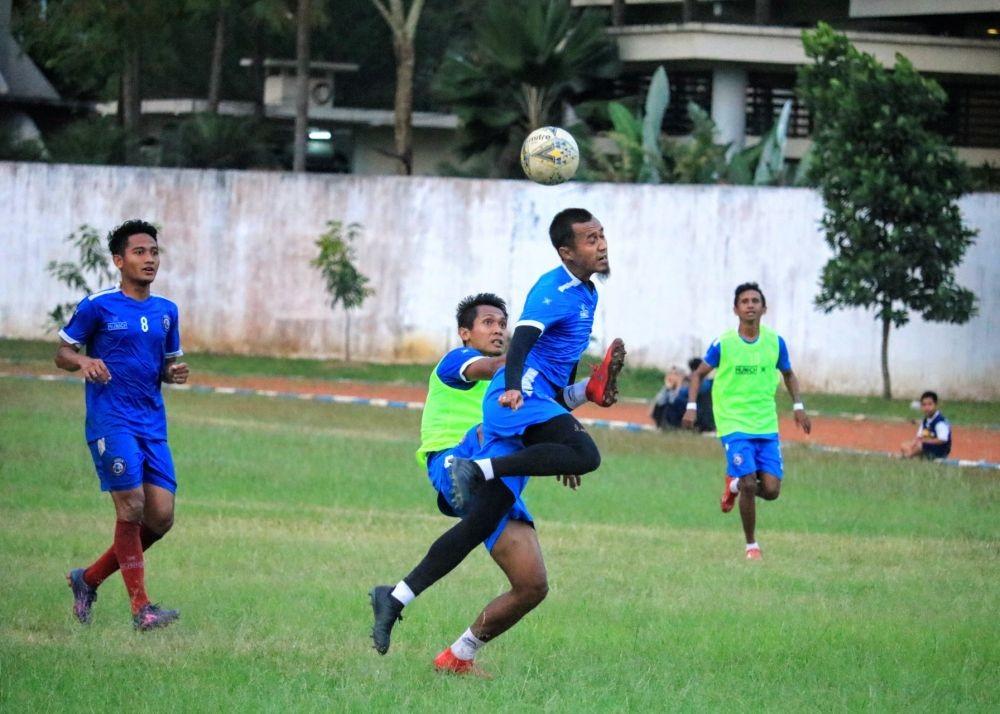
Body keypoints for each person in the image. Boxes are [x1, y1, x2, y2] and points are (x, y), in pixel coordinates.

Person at [370, 208, 626, 670]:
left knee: (530, 583)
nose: (498, 330)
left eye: (500, 323)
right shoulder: (460, 360)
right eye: (487, 324)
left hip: (512, 436)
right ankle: (473, 476)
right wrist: (513, 380)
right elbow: (506, 359)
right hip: (461, 453)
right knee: (580, 455)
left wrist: (574, 413)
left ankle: (427, 627)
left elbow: (551, 394)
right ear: (465, 333)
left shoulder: (584, 300)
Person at [57, 219, 188, 630]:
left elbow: (161, 365)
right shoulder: (98, 305)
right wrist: (84, 360)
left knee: (161, 517)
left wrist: (173, 373)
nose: (149, 259)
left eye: (154, 252)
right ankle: (141, 609)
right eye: (139, 252)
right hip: (111, 420)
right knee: (131, 505)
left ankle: (88, 579)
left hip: (151, 422)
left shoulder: (167, 311)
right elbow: (62, 352)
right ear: (118, 260)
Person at [683, 282, 811, 560]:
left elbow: (788, 374)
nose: (750, 305)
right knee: (750, 485)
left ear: (764, 308)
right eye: (745, 301)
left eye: (755, 300)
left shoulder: (775, 342)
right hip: (733, 424)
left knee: (772, 490)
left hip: (766, 425)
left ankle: (733, 487)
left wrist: (798, 406)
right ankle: (751, 546)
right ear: (736, 309)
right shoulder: (724, 343)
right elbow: (697, 374)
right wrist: (691, 406)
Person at [900, 391, 952, 459]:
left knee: (921, 445)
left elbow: (943, 440)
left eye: (930, 404)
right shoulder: (925, 420)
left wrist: (926, 441)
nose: (927, 407)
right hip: (927, 446)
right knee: (904, 445)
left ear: (936, 405)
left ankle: (909, 456)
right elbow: (919, 437)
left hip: (939, 450)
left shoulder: (940, 422)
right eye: (924, 405)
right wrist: (912, 445)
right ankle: (912, 454)